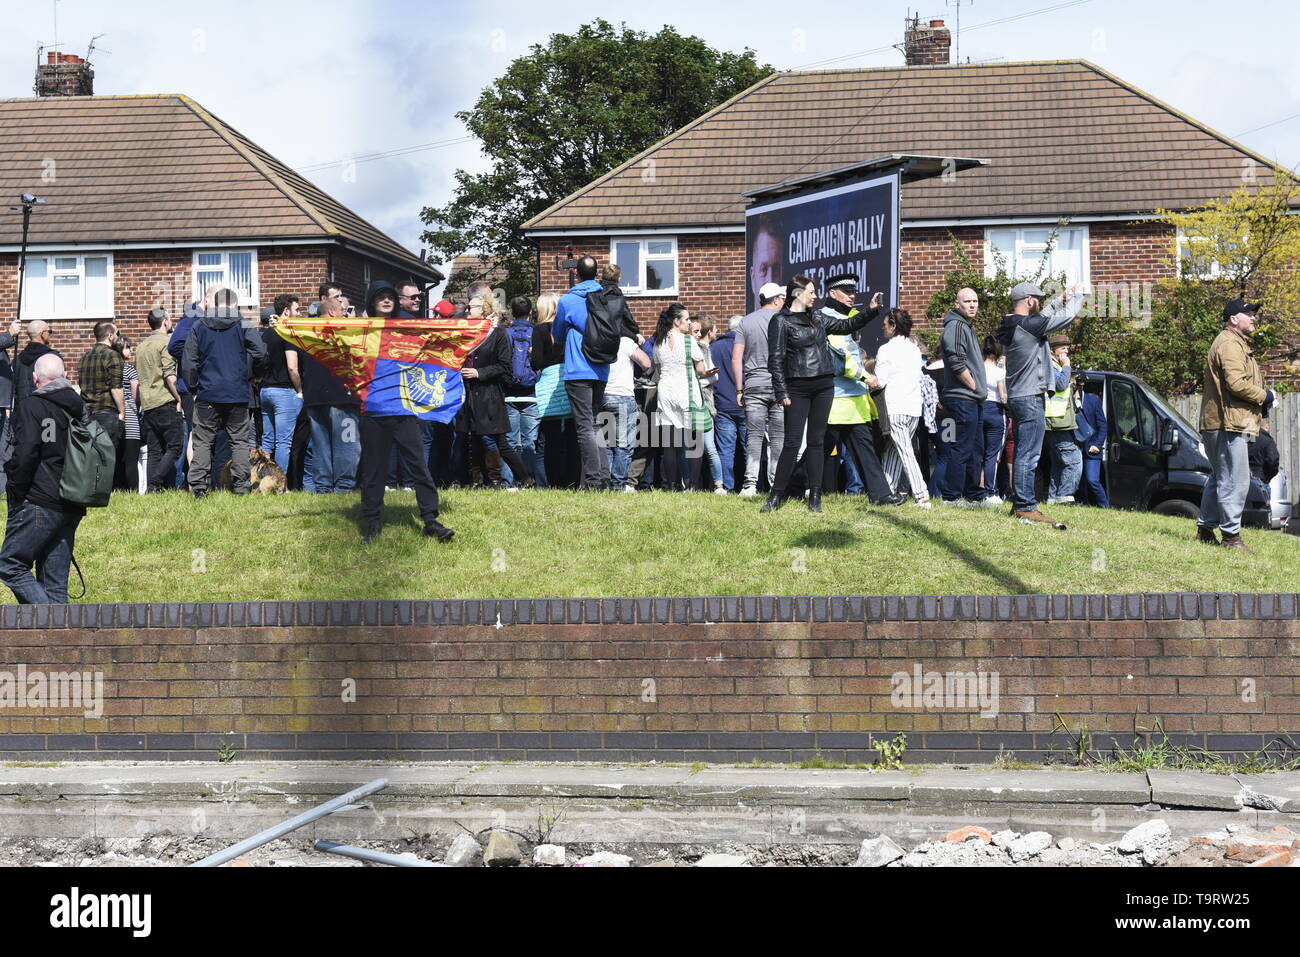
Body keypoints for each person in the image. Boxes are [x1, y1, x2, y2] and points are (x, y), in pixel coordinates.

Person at [762, 273, 878, 513]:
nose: (815, 297)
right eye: (811, 292)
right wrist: (781, 390)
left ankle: (815, 497)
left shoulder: (818, 317)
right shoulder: (781, 321)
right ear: (797, 294)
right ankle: (776, 496)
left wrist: (870, 310)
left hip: (824, 385)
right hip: (797, 387)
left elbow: (846, 325)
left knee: (816, 442)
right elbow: (775, 359)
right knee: (792, 443)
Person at [354, 281, 454, 544]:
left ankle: (431, 521)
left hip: (403, 407)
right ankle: (372, 524)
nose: (387, 301)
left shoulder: (409, 327)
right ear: (371, 301)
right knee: (374, 470)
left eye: (390, 297)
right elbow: (322, 336)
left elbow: (442, 336)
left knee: (418, 466)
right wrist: (282, 325)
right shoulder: (359, 331)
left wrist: (481, 325)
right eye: (380, 297)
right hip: (374, 410)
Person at [995, 280, 1084, 527]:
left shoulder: (1011, 324)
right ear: (1030, 301)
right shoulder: (1028, 326)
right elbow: (1064, 320)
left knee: (1024, 450)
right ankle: (1025, 506)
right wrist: (1079, 296)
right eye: (1038, 299)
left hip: (1018, 395)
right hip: (1030, 396)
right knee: (1029, 453)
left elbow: (1041, 318)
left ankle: (1021, 503)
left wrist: (1059, 300)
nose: (1039, 304)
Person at [0, 353, 87, 604]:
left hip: (39, 500)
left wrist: (15, 487)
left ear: (35, 378)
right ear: (66, 377)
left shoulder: (32, 406)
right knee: (55, 584)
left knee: (10, 565)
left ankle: (47, 619)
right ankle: (63, 640)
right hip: (72, 502)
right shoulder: (80, 409)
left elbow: (26, 453)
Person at [1197, 299, 1273, 551]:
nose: (1253, 318)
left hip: (1221, 421)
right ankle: (1231, 537)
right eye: (1248, 314)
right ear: (1233, 319)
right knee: (1235, 480)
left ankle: (1205, 530)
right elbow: (1237, 384)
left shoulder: (1233, 342)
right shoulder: (1230, 344)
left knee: (1220, 478)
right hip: (1227, 423)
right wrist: (1266, 396)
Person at [817, 276, 900, 505]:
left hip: (854, 400)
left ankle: (881, 495)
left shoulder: (850, 317)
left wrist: (871, 310)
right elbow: (839, 358)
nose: (852, 296)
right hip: (835, 399)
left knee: (865, 450)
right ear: (833, 293)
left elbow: (854, 345)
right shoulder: (827, 318)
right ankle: (792, 488)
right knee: (818, 452)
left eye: (853, 292)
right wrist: (866, 376)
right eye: (846, 292)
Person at [181, 287, 268, 496]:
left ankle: (200, 488)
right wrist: (256, 374)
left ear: (214, 304)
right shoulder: (243, 323)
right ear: (235, 305)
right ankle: (240, 486)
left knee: (202, 442)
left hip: (207, 392)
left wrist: (193, 386)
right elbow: (261, 353)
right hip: (237, 393)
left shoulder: (199, 325)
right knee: (239, 441)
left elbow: (188, 362)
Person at [455, 291, 534, 489]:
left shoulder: (497, 333)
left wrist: (479, 373)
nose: (467, 310)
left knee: (499, 442)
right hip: (469, 395)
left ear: (484, 310)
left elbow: (504, 366)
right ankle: (477, 481)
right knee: (473, 438)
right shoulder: (466, 333)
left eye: (471, 307)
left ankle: (519, 479)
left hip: (490, 395)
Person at [555, 255, 615, 490]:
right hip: (601, 367)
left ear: (577, 274)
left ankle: (592, 481)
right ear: (596, 273)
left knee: (584, 427)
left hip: (578, 369)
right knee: (596, 424)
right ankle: (604, 476)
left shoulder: (568, 301)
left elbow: (557, 335)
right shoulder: (606, 297)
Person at [300, 290, 362, 494]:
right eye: (343, 310)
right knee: (347, 443)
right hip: (342, 396)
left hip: (313, 397)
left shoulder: (305, 332)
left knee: (320, 445)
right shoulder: (345, 331)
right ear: (334, 313)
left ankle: (323, 486)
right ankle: (344, 487)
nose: (346, 314)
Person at [937, 287, 989, 507]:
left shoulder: (966, 326)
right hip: (962, 397)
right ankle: (951, 497)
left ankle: (974, 496)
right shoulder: (956, 325)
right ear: (957, 304)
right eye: (967, 301)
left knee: (975, 449)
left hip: (971, 398)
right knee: (962, 448)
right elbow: (956, 359)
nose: (972, 305)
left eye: (975, 301)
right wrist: (973, 384)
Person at [650, 303, 710, 490]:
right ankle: (693, 484)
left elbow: (658, 370)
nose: (690, 323)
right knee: (694, 440)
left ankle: (673, 485)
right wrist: (709, 372)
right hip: (686, 391)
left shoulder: (658, 341)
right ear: (676, 322)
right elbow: (700, 370)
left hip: (665, 391)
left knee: (669, 443)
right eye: (686, 320)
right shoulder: (688, 341)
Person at [734, 281, 785, 496]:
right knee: (778, 437)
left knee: (754, 436)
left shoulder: (746, 322)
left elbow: (736, 357)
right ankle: (777, 486)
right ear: (775, 300)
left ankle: (750, 485)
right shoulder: (784, 320)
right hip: (780, 385)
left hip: (754, 385)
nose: (784, 301)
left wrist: (739, 389)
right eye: (781, 298)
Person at [875, 309, 930, 507]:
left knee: (905, 452)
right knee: (893, 451)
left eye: (885, 324)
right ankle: (885, 490)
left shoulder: (885, 350)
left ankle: (921, 494)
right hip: (914, 407)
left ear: (893, 325)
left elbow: (880, 381)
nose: (883, 327)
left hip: (895, 406)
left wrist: (865, 379)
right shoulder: (914, 349)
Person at [530, 292, 579, 489]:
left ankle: (546, 483)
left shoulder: (540, 330)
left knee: (546, 439)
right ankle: (571, 481)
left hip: (549, 386)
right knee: (570, 436)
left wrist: (532, 354)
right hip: (568, 380)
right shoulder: (568, 329)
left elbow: (537, 363)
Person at [136, 308, 184, 493]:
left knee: (155, 451)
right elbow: (169, 374)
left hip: (147, 405)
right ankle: (155, 482)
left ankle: (151, 488)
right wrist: (179, 398)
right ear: (164, 321)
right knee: (175, 446)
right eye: (170, 319)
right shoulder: (167, 342)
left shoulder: (141, 347)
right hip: (165, 401)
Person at [259, 293, 304, 474]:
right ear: (286, 311)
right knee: (283, 442)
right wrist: (300, 390)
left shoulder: (266, 334)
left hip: (265, 390)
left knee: (267, 440)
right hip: (284, 392)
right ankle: (279, 484)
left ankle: (261, 481)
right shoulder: (288, 335)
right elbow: (292, 368)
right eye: (297, 310)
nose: (300, 314)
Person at [503, 295, 543, 487]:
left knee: (509, 442)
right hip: (531, 393)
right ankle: (528, 480)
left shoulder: (505, 333)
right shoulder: (537, 333)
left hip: (509, 393)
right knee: (529, 443)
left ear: (512, 311)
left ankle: (508, 481)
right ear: (530, 312)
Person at [1044, 335, 1082, 505]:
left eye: (1067, 348)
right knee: (1074, 460)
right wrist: (1066, 366)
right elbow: (1059, 385)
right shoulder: (1050, 365)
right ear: (1053, 350)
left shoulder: (1056, 366)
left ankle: (1053, 498)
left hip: (1058, 421)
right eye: (1063, 349)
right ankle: (1065, 496)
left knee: (1059, 463)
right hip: (1056, 421)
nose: (1066, 352)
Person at [77, 321, 125, 451]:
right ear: (110, 336)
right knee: (109, 460)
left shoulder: (84, 357)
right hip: (107, 414)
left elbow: (81, 385)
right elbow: (116, 387)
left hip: (86, 416)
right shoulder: (113, 355)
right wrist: (122, 413)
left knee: (92, 459)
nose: (118, 337)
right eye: (117, 334)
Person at [711, 316, 746, 492]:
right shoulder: (747, 346)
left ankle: (728, 487)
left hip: (723, 403)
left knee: (725, 451)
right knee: (750, 449)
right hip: (746, 404)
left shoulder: (714, 347)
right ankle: (752, 486)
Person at [692, 315, 725, 493]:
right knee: (693, 448)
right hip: (692, 402)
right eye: (694, 331)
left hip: (705, 402)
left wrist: (699, 380)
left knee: (709, 447)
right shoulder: (695, 348)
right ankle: (692, 485)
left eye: (698, 331)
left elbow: (714, 376)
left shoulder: (705, 348)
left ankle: (718, 485)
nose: (697, 334)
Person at [112, 336, 142, 493]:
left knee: (117, 459)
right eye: (127, 347)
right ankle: (132, 492)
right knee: (131, 460)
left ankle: (116, 491)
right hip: (130, 416)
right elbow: (136, 393)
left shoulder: (111, 369)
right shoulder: (129, 369)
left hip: (115, 417)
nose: (130, 350)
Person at [980, 335, 1007, 503]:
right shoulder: (999, 372)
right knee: (992, 455)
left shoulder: (978, 369)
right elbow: (1003, 396)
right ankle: (991, 491)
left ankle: (977, 491)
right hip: (995, 411)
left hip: (979, 409)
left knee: (979, 454)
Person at [1075, 379, 1109, 508]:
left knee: (1092, 480)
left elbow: (1102, 426)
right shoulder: (1067, 401)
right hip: (1075, 448)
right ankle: (1083, 504)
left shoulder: (1093, 401)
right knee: (1079, 481)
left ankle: (1105, 507)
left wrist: (1097, 445)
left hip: (1091, 448)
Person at [14, 320, 60, 410]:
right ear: (42, 334)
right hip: (45, 410)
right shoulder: (52, 358)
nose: (50, 334)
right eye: (49, 331)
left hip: (22, 411)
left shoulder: (17, 360)